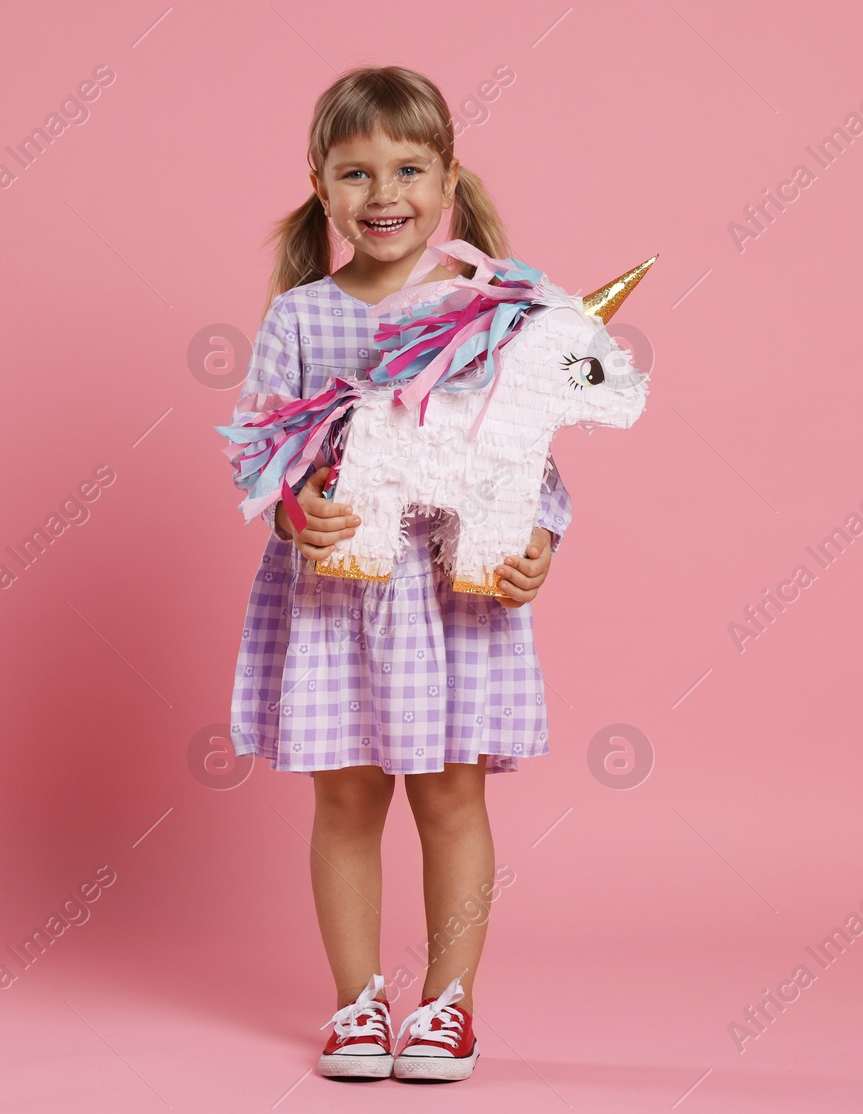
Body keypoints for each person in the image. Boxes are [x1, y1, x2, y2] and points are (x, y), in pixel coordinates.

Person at [223, 65, 572, 1084]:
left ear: (449, 177)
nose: (385, 194)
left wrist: (535, 542)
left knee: (453, 797)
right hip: (343, 602)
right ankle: (357, 1004)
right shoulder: (300, 316)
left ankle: (448, 1004)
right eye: (357, 172)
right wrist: (297, 506)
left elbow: (530, 456)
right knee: (345, 800)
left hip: (453, 597)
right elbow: (259, 448)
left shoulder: (490, 313)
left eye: (408, 168)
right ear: (321, 187)